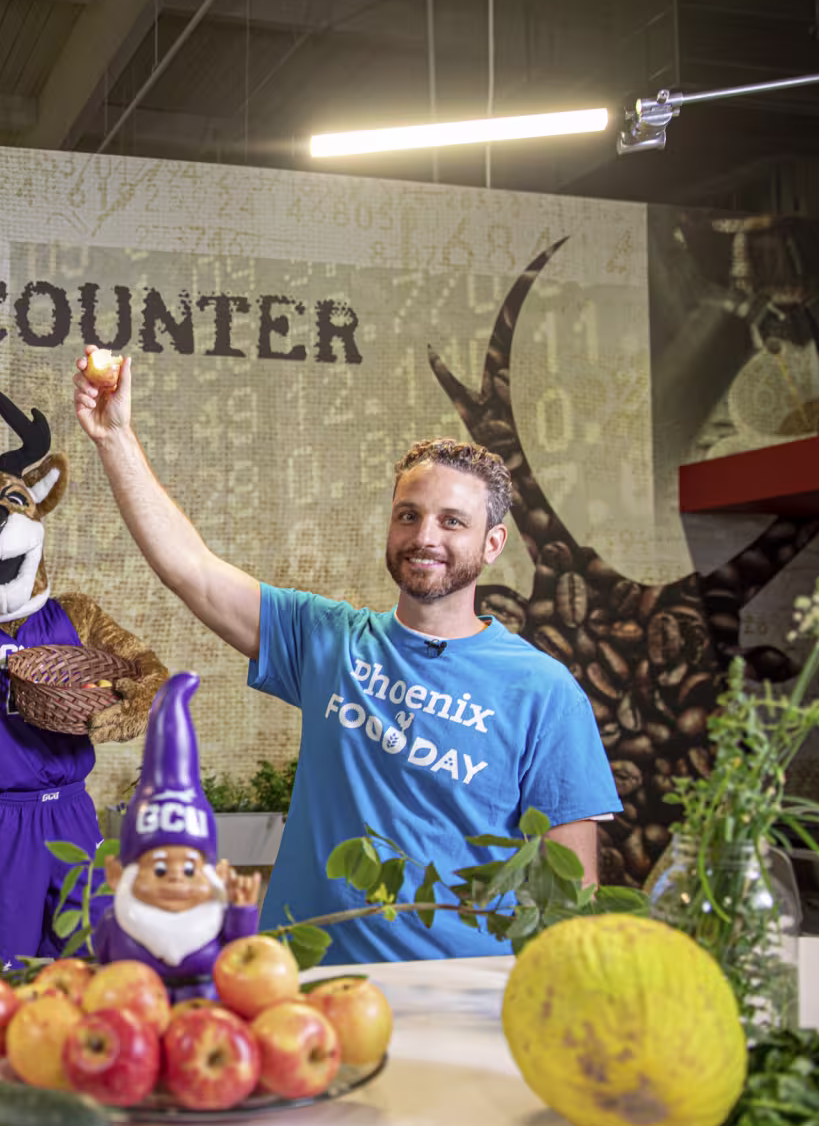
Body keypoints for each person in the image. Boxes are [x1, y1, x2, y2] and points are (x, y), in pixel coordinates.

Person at [72, 349, 620, 965]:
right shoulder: (329, 639)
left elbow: (571, 891)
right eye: (408, 516)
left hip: (459, 992)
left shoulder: (543, 690)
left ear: (493, 543)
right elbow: (191, 570)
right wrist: (115, 437)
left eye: (452, 522)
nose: (425, 538)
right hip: (297, 979)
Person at [91, 673, 262, 1001]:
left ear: (215, 874)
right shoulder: (120, 922)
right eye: (157, 869)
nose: (174, 878)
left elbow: (239, 955)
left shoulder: (214, 918)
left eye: (188, 870)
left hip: (205, 1014)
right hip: (135, 1012)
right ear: (117, 874)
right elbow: (104, 958)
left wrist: (241, 911)